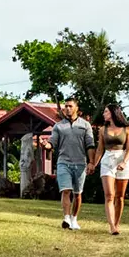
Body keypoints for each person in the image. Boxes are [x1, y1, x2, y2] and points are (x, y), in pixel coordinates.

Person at [47, 99, 93, 230]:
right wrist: (47, 145)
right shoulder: (58, 126)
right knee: (65, 190)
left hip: (80, 163)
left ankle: (74, 219)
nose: (67, 108)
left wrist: (91, 162)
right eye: (65, 106)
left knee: (78, 194)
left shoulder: (85, 125)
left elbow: (90, 145)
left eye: (70, 106)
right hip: (63, 162)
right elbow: (52, 142)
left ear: (76, 108)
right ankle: (66, 218)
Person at [93, 103, 129, 234]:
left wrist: (124, 161)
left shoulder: (127, 129)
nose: (103, 114)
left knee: (120, 196)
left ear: (113, 113)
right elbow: (100, 149)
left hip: (122, 159)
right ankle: (112, 226)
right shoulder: (102, 130)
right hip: (107, 159)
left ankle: (117, 223)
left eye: (106, 112)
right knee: (109, 195)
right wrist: (94, 164)